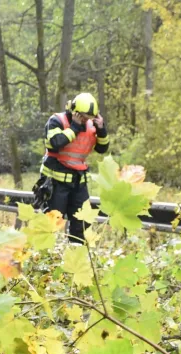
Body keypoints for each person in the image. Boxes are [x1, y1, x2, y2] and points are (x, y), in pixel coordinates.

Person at [37, 92, 109, 244]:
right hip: (55, 184)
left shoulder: (91, 125)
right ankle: (46, 260)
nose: (85, 121)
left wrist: (101, 129)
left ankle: (76, 259)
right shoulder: (56, 121)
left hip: (78, 183)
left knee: (82, 226)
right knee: (50, 226)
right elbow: (55, 143)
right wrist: (75, 128)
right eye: (82, 117)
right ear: (74, 112)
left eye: (88, 118)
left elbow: (102, 149)